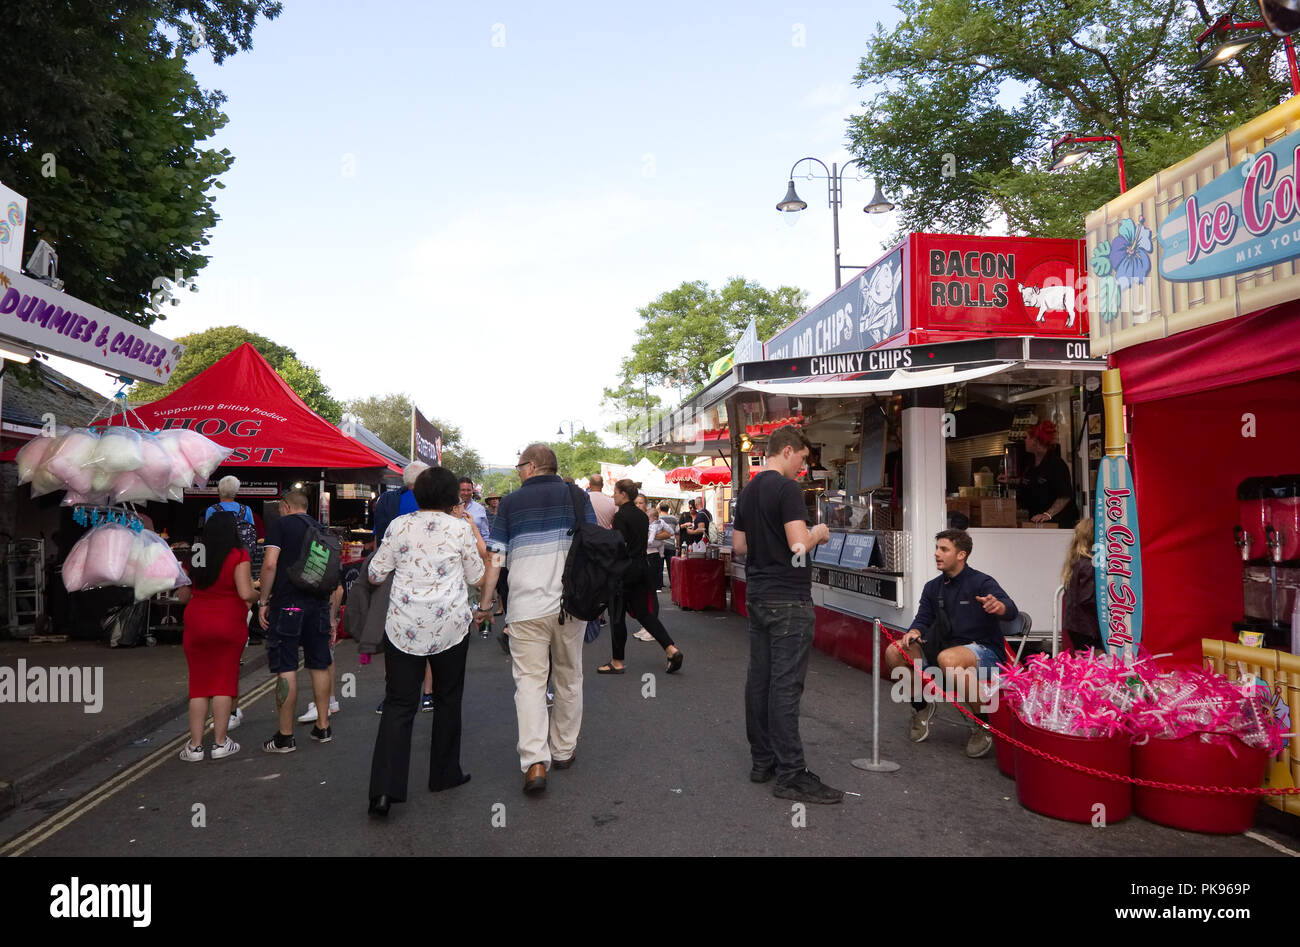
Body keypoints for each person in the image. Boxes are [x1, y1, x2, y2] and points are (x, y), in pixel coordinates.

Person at [475, 444, 596, 794]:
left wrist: (486, 603)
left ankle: (535, 763)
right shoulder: (577, 497)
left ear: (531, 466)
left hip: (526, 607)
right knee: (569, 677)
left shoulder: (510, 504)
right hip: (571, 603)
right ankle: (564, 750)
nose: (517, 471)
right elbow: (591, 545)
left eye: (518, 466)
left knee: (529, 683)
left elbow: (495, 558)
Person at [366, 467, 485, 816]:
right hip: (450, 625)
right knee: (448, 699)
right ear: (453, 497)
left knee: (399, 704)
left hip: (403, 627)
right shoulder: (460, 529)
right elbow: (476, 576)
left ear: (416, 494)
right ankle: (444, 773)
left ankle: (384, 791)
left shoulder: (399, 525)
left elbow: (375, 573)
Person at [733, 425, 842, 804]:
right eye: (803, 459)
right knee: (785, 686)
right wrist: (819, 533)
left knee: (759, 680)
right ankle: (791, 773)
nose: (803, 467)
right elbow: (798, 546)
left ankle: (762, 761)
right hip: (789, 599)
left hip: (758, 595)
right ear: (787, 451)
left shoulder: (746, 493)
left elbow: (739, 545)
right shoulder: (786, 489)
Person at [884, 529, 1018, 759]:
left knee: (948, 659)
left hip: (985, 653)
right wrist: (914, 631)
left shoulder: (981, 582)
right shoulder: (932, 587)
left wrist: (1000, 607)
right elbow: (923, 619)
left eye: (944, 549)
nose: (937, 553)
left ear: (961, 555)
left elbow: (1011, 610)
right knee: (893, 651)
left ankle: (983, 724)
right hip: (941, 649)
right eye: (936, 548)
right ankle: (921, 706)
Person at [257, 490, 343, 753]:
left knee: (287, 667)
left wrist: (263, 601)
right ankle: (323, 725)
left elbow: (270, 565)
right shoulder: (321, 528)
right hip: (318, 605)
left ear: (284, 506)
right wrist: (331, 617)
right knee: (319, 664)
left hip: (287, 604)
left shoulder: (280, 526)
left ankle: (285, 737)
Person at [176, 512, 259, 761]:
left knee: (199, 686)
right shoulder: (238, 554)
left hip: (197, 620)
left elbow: (183, 596)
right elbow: (245, 592)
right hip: (228, 620)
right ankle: (221, 743)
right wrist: (260, 595)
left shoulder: (195, 554)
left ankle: (195, 746)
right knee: (224, 682)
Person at [597, 479, 683, 675]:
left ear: (623, 494)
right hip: (642, 567)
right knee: (644, 613)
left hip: (624, 570)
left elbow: (619, 545)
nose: (613, 495)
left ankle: (617, 661)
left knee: (617, 616)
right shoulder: (643, 517)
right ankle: (671, 648)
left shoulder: (621, 517)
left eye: (616, 492)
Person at [371, 461, 433, 714]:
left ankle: (393, 695)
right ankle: (428, 695)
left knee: (395, 639)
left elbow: (379, 542)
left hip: (396, 580)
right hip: (430, 580)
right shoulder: (434, 502)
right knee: (430, 638)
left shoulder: (386, 502)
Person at [1014, 420, 1079, 528]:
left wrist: (1048, 514)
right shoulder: (1031, 463)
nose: (1025, 441)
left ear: (1035, 441)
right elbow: (1030, 481)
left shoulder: (1055, 464)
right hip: (1039, 522)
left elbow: (1065, 496)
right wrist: (1010, 480)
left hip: (1059, 523)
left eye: (1027, 438)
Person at [1061, 518, 1102, 652]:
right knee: (1097, 661)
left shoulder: (1076, 561)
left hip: (1076, 624)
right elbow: (1087, 598)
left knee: (1084, 662)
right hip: (1087, 626)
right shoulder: (1090, 565)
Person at [459, 477, 490, 543]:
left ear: (472, 490)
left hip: (476, 550)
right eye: (463, 490)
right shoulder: (450, 508)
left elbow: (485, 535)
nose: (466, 493)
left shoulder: (480, 509)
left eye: (468, 490)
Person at [658, 501, 679, 590]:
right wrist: (677, 543)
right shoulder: (674, 519)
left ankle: (659, 584)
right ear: (668, 509)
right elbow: (677, 532)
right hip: (671, 545)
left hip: (660, 545)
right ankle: (673, 584)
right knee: (671, 567)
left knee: (660, 566)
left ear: (659, 509)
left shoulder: (657, 518)